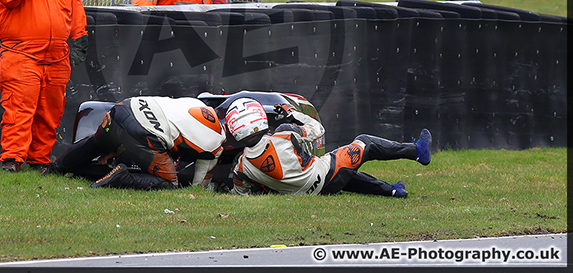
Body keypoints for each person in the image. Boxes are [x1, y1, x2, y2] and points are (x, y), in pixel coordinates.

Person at [0, 0, 88, 173]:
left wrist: (79, 38)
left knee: (50, 111)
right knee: (19, 108)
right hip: (21, 52)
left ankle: (39, 160)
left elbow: (75, 6)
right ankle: (12, 159)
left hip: (57, 54)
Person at [225, 98, 432, 197]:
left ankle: (393, 191)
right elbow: (317, 129)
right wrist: (292, 113)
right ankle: (417, 151)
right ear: (258, 117)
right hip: (323, 176)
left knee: (345, 173)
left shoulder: (241, 167)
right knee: (365, 143)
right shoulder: (284, 133)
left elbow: (240, 192)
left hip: (309, 192)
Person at [46, 96, 227, 190]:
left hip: (124, 107)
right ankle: (123, 177)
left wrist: (117, 147)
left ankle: (54, 170)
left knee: (96, 142)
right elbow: (198, 187)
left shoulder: (196, 104)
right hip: (144, 131)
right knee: (169, 184)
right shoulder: (216, 147)